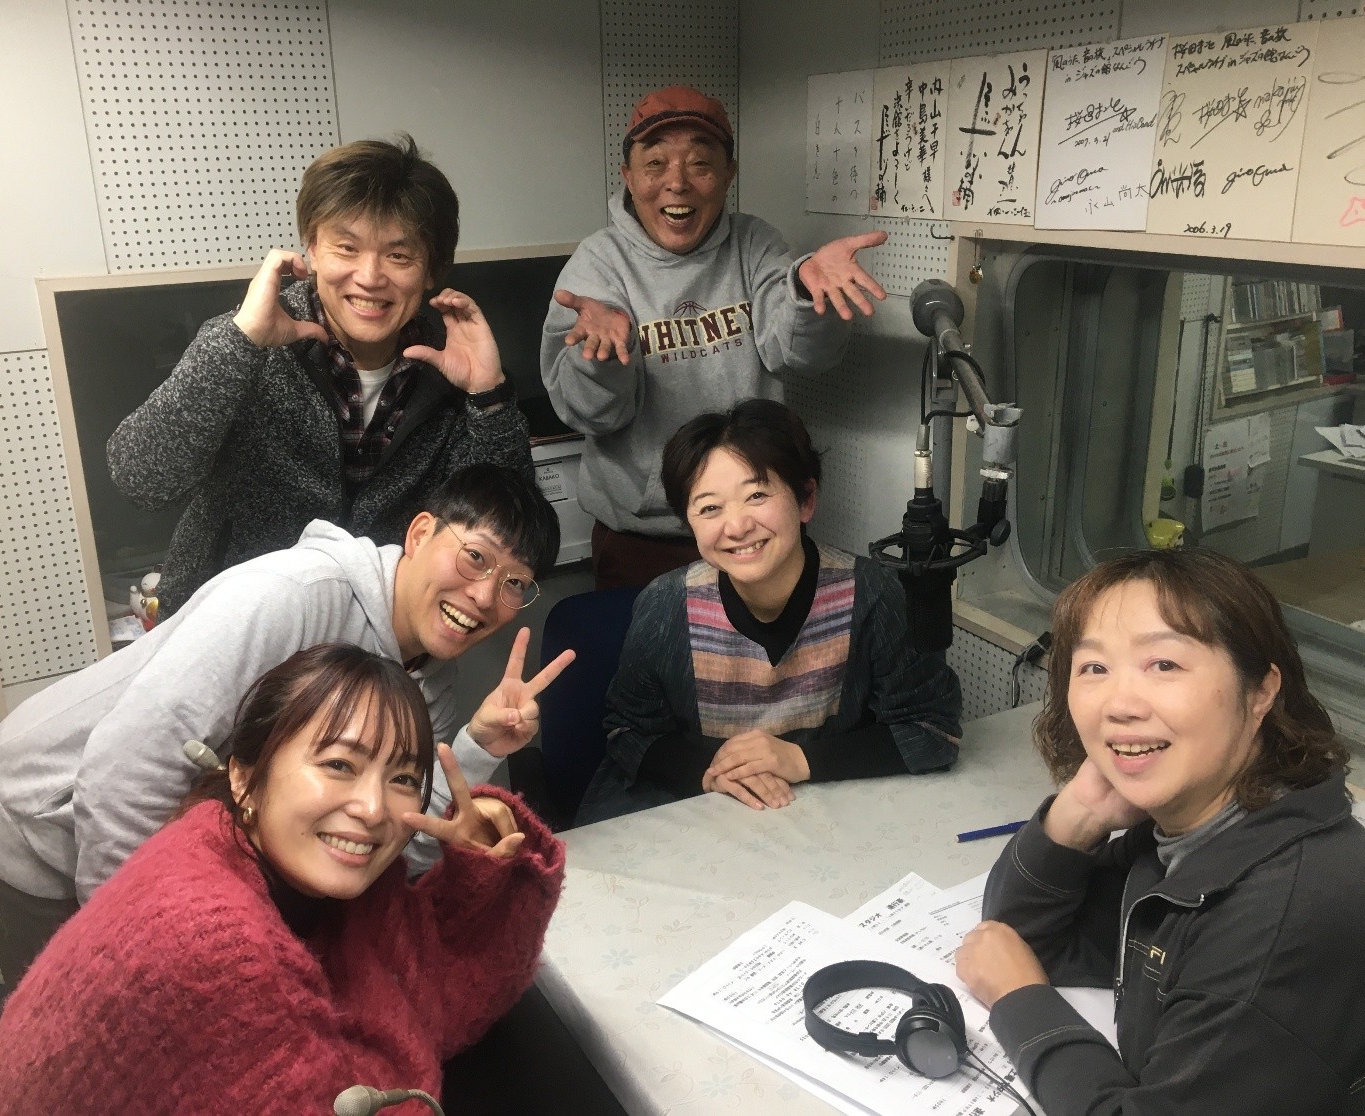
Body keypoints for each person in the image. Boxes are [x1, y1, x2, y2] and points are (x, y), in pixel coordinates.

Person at [0, 465, 571, 986]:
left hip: (180, 841)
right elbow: (124, 772)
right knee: (90, 1046)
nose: (485, 596)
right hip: (43, 818)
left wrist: (478, 746)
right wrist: (134, 958)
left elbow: (394, 839)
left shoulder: (429, 677)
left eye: (514, 583)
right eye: (475, 558)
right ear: (419, 534)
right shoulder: (292, 596)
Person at [0, 643, 565, 1114]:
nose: (374, 808)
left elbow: (432, 992)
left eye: (402, 778)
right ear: (246, 776)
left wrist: (481, 864)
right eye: (339, 765)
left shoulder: (267, 865)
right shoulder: (214, 939)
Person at [955, 549, 1365, 1114]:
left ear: (1260, 691)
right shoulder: (1193, 832)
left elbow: (1012, 966)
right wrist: (1078, 816)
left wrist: (1020, 1002)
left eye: (1164, 664)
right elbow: (1021, 938)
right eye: (1094, 668)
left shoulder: (1285, 912)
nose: (1119, 705)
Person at [109, 135, 532, 617]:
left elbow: (508, 533)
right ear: (311, 248)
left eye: (399, 256)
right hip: (226, 631)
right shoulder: (247, 345)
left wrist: (489, 397)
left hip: (366, 639)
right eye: (346, 247)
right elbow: (141, 480)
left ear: (431, 269)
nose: (369, 276)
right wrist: (240, 343)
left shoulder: (447, 369)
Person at [541, 85, 891, 590]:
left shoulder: (754, 243)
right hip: (645, 536)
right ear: (628, 177)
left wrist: (806, 294)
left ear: (729, 174)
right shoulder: (596, 268)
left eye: (700, 164)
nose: (676, 183)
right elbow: (590, 414)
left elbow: (799, 354)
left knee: (773, 643)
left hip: (754, 523)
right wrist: (603, 358)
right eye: (655, 164)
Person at [576, 400, 961, 823]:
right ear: (688, 522)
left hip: (826, 815)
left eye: (756, 495)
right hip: (703, 815)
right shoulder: (665, 606)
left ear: (806, 499)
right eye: (709, 507)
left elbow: (932, 730)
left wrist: (801, 759)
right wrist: (710, 773)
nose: (737, 526)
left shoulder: (873, 594)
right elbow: (627, 731)